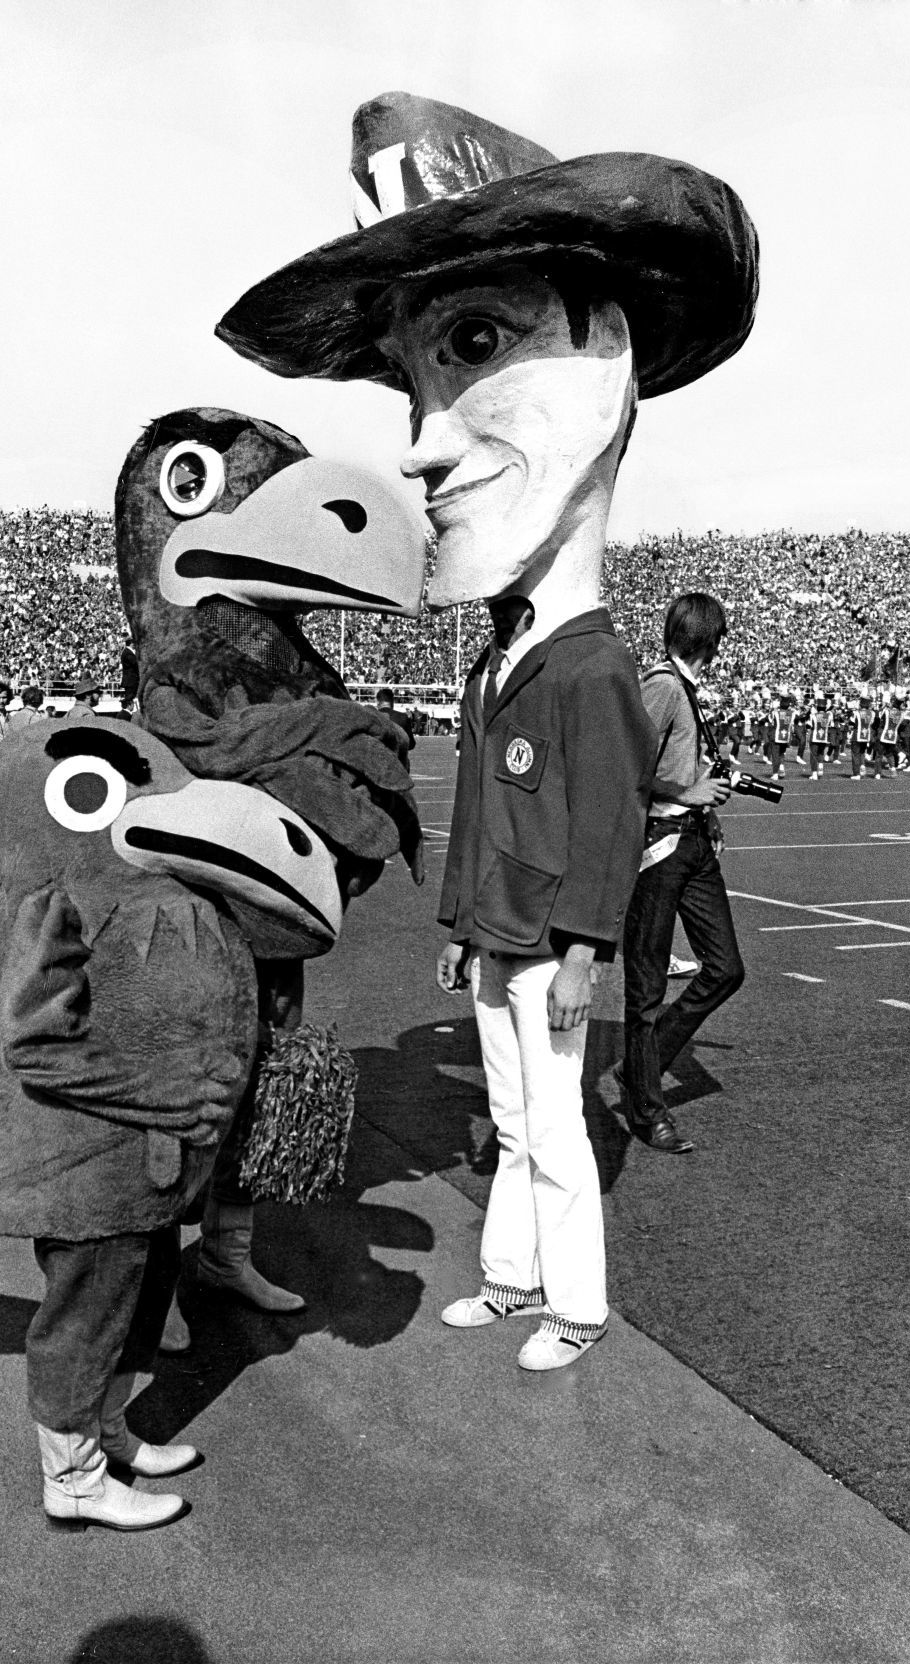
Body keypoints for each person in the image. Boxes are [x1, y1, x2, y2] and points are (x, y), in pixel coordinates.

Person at [218, 89, 757, 1371]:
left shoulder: (588, 664)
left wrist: (579, 947)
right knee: (517, 1119)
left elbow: (607, 820)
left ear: (611, 359)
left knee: (559, 1127)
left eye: (471, 341)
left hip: (547, 943)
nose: (416, 446)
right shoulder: (505, 653)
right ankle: (513, 1279)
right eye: (414, 378)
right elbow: (490, 814)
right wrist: (467, 933)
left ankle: (577, 1302)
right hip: (501, 936)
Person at [620, 594, 745, 1154]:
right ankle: (647, 1111)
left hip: (692, 840)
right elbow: (625, 771)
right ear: (711, 642)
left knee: (725, 968)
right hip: (660, 846)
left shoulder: (682, 689)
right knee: (646, 987)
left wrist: (708, 802)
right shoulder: (664, 687)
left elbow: (678, 766)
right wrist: (687, 792)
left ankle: (641, 1066)